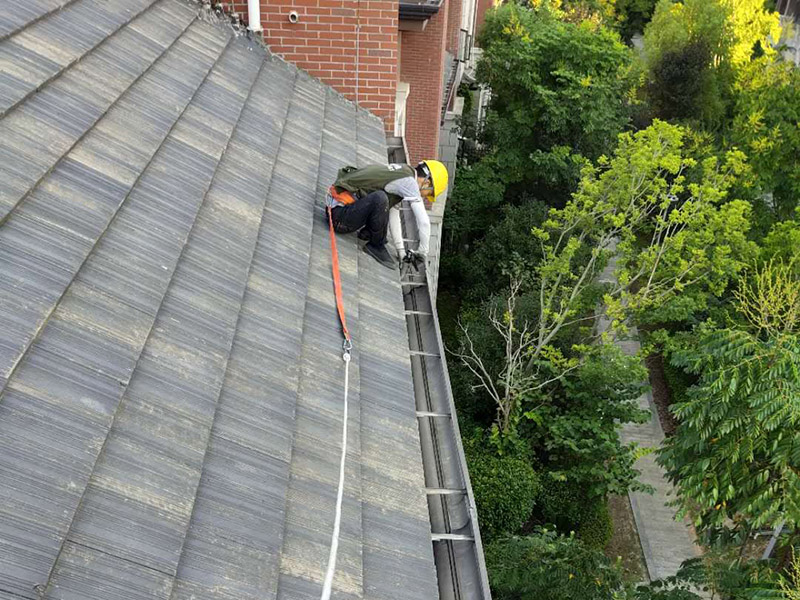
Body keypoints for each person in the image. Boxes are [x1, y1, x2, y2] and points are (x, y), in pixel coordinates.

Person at [325, 161, 449, 269]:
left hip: (340, 210)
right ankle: (376, 245)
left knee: (382, 201)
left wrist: (401, 252)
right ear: (427, 183)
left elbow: (392, 214)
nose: (424, 196)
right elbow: (424, 222)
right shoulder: (410, 183)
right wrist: (423, 252)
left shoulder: (403, 172)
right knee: (380, 198)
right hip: (339, 217)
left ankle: (369, 234)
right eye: (428, 194)